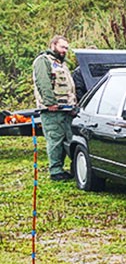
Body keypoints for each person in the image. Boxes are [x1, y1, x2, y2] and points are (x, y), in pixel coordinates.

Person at [32, 35, 77, 181]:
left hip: (66, 109)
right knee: (55, 140)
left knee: (68, 139)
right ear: (53, 45)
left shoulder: (61, 64)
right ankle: (56, 171)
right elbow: (43, 83)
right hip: (52, 110)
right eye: (62, 47)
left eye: (66, 48)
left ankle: (70, 168)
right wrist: (50, 103)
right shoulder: (43, 61)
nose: (65, 50)